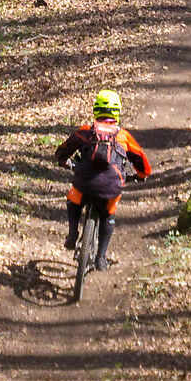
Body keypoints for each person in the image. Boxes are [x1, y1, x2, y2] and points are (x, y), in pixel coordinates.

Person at [55, 89, 151, 271]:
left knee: (73, 200)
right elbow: (144, 165)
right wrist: (140, 176)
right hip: (110, 187)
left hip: (84, 182)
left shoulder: (85, 132)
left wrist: (65, 162)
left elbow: (61, 153)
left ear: (95, 110)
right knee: (108, 214)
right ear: (118, 112)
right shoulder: (123, 136)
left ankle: (73, 232)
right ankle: (101, 257)